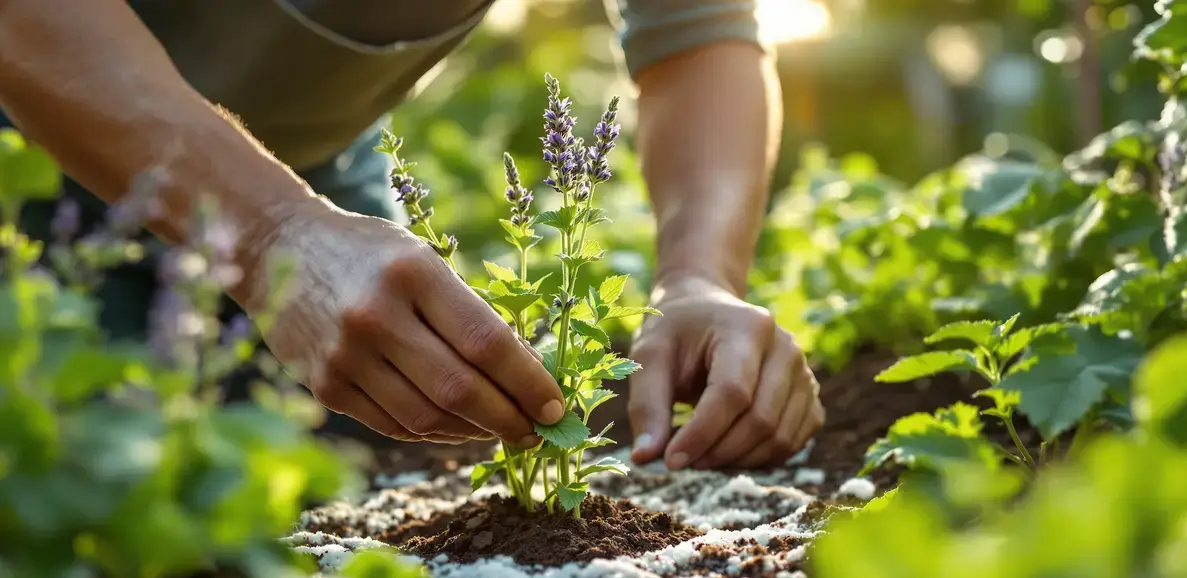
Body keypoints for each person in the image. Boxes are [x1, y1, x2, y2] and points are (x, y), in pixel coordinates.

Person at [0, 0, 824, 471]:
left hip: (308, 165)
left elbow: (700, 33)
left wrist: (699, 277)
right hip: (28, 154)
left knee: (372, 479)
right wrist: (270, 232)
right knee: (77, 501)